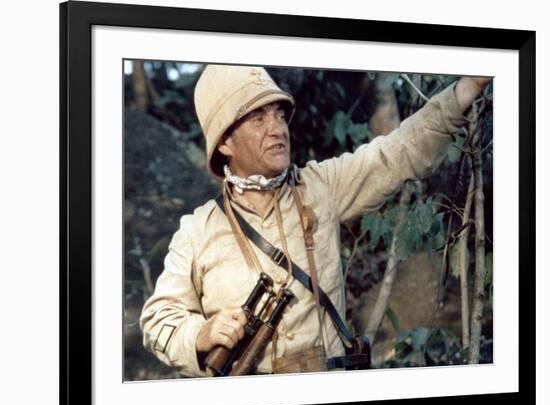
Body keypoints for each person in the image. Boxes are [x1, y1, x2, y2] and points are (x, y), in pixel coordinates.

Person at [139, 64, 490, 377]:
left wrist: (465, 89)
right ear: (226, 142)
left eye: (278, 115)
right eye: (258, 120)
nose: (277, 129)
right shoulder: (199, 229)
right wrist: (200, 335)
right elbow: (158, 320)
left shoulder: (320, 187)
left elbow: (393, 155)